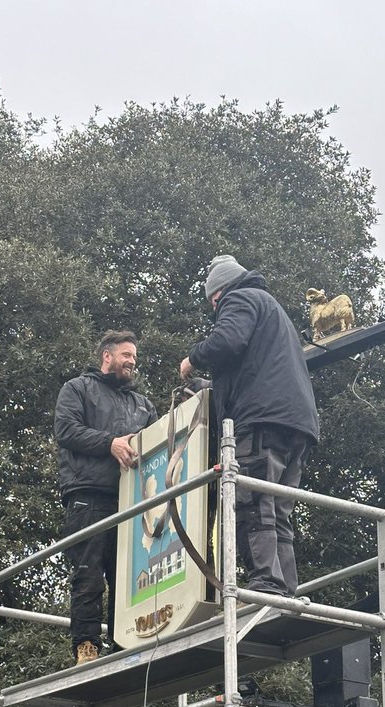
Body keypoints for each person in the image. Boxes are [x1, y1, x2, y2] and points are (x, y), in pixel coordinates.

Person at [180, 254, 319, 597]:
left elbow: (227, 341)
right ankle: (286, 587)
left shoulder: (239, 297)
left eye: (214, 303)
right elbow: (252, 371)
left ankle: (266, 583)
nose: (216, 309)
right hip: (296, 425)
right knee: (278, 510)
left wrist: (192, 359)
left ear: (218, 294)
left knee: (253, 501)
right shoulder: (273, 311)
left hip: (262, 422)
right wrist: (210, 390)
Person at [55, 331, 158, 665]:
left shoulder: (143, 404)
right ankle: (86, 645)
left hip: (132, 499)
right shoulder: (78, 389)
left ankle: (123, 643)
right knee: (88, 573)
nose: (132, 362)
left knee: (128, 576)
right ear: (107, 356)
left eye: (134, 357)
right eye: (126, 355)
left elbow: (160, 444)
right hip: (88, 494)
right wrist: (110, 443)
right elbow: (66, 431)